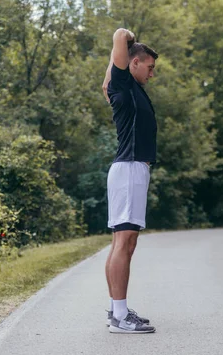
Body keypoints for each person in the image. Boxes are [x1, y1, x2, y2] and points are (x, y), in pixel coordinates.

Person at [100, 28, 158, 333]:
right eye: (149, 67)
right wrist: (128, 38)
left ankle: (116, 309)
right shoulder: (124, 83)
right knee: (125, 241)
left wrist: (119, 56)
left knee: (122, 242)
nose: (152, 73)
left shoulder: (121, 88)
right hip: (129, 170)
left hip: (130, 170)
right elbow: (120, 34)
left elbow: (105, 82)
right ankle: (120, 318)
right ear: (132, 63)